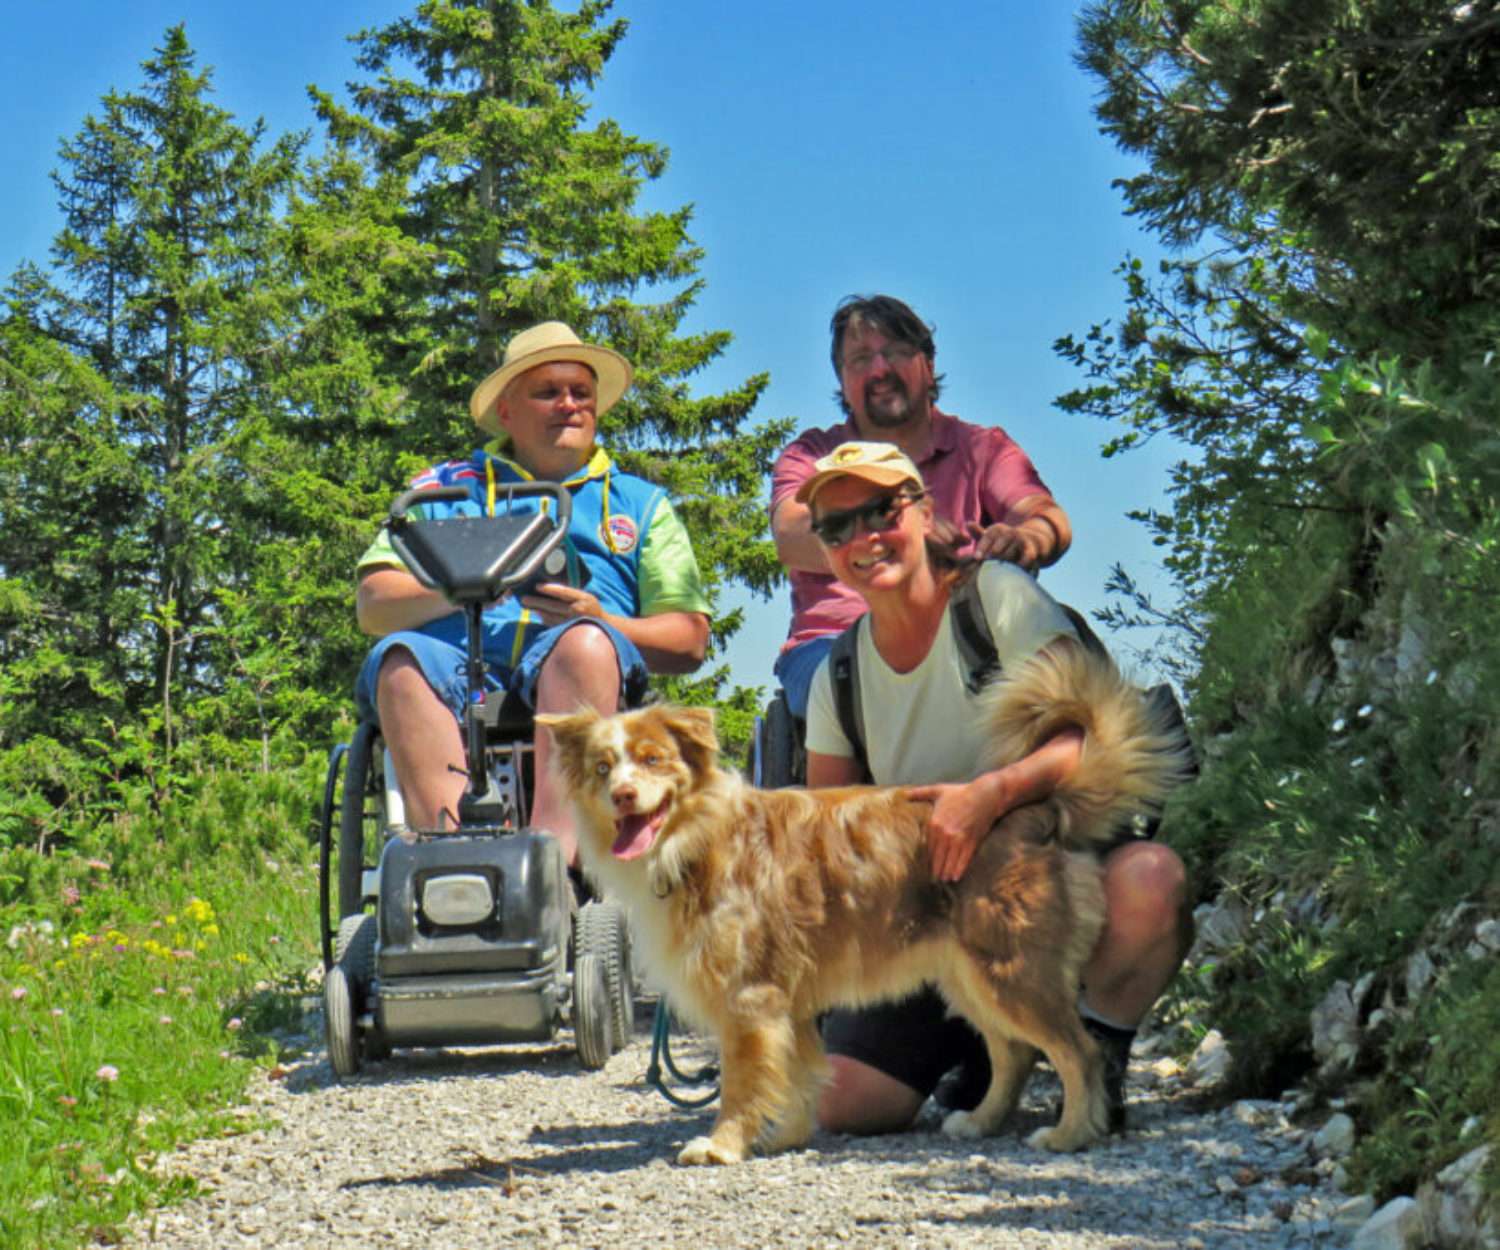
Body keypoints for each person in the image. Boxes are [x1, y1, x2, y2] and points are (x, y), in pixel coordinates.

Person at [796, 441, 1190, 1136]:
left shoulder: (996, 598)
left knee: (1152, 880)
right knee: (844, 1105)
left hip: (1048, 864)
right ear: (826, 549)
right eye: (837, 526)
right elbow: (828, 822)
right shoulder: (840, 673)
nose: (863, 537)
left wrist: (987, 796)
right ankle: (989, 1063)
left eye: (880, 511)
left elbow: (1093, 731)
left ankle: (1091, 1059)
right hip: (929, 911)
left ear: (922, 513)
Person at [353, 321, 712, 867]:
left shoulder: (640, 505)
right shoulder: (448, 491)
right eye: (548, 392)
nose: (568, 405)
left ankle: (550, 867)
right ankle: (459, 864)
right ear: (506, 411)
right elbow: (374, 603)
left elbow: (689, 641)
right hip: (459, 670)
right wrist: (463, 584)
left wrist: (602, 619)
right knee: (399, 660)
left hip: (583, 670)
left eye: (581, 394)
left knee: (585, 643)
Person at [769, 294, 1073, 718]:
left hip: (962, 634)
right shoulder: (812, 456)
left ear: (928, 366)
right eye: (860, 359)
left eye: (895, 352)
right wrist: (909, 535)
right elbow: (791, 533)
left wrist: (1024, 539)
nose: (879, 369)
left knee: (1063, 654)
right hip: (830, 645)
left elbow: (1044, 516)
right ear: (842, 382)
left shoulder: (981, 450)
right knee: (870, 690)